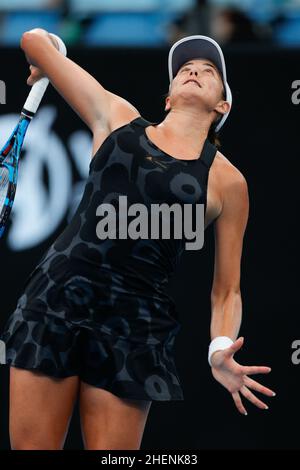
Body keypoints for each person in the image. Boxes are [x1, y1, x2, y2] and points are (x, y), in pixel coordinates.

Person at [0, 31, 275, 450]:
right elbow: (31, 39)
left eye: (208, 70)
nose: (194, 70)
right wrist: (53, 49)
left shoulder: (228, 182)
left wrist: (219, 346)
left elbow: (227, 290)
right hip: (56, 303)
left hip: (134, 328)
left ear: (224, 105)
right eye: (184, 68)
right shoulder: (116, 117)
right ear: (167, 97)